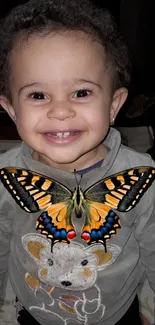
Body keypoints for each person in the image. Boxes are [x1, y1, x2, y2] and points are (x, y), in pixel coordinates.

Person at [0, 1, 154, 324]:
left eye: (81, 93)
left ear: (114, 105)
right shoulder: (8, 175)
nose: (60, 111)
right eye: (38, 95)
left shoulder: (140, 177)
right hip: (33, 309)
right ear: (12, 111)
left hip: (115, 312)